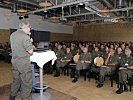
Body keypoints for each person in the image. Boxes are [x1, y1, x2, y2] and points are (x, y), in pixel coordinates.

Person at [9, 21, 34, 100]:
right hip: (23, 63)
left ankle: (12, 97)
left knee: (16, 80)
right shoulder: (25, 36)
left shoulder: (13, 35)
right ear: (26, 28)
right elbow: (30, 52)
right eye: (29, 28)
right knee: (27, 83)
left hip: (15, 61)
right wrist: (31, 43)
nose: (30, 30)